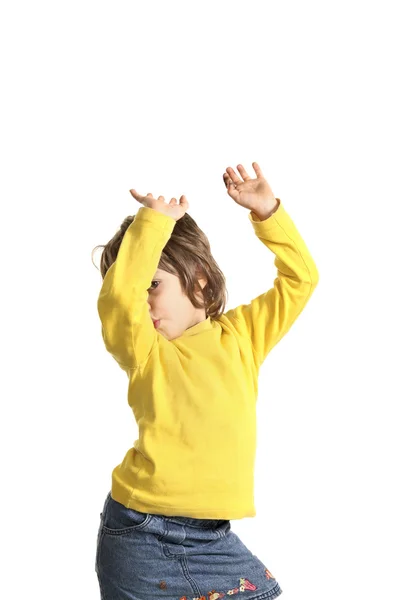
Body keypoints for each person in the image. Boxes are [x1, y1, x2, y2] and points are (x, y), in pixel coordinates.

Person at [92, 161, 319, 599]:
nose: (143, 304)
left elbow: (301, 279)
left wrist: (268, 212)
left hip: (213, 539)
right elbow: (120, 299)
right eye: (137, 290)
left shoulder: (242, 337)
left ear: (197, 275)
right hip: (142, 536)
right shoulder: (145, 351)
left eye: (153, 285)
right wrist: (151, 227)